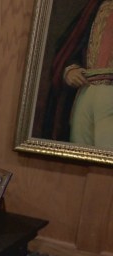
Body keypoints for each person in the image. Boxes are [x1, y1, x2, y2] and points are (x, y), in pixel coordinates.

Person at [44, 0, 112, 148]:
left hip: (110, 94)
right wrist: (70, 69)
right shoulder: (95, 6)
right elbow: (73, 45)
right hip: (85, 90)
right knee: (78, 150)